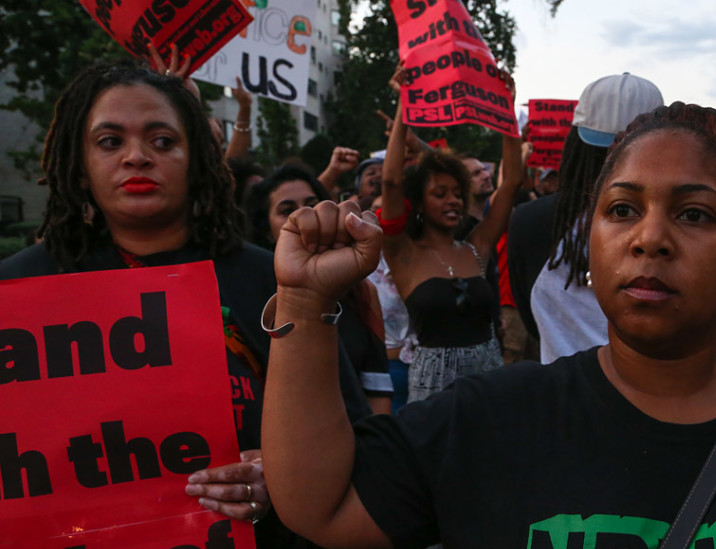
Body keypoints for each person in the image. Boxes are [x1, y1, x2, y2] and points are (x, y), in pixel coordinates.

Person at [261, 101, 716, 549]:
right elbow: (320, 503)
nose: (650, 238)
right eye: (622, 209)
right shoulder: (492, 422)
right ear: (590, 246)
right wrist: (303, 300)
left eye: (696, 215)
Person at [0, 62, 370, 549]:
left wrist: (281, 477)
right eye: (110, 140)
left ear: (197, 156)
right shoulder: (20, 292)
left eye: (162, 140)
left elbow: (353, 427)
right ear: (79, 160)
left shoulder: (273, 279)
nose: (137, 157)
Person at [377, 64, 523, 404]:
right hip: (434, 391)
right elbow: (391, 181)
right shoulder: (403, 252)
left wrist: (507, 113)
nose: (453, 200)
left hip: (488, 383)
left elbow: (512, 182)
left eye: (458, 193)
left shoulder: (477, 248)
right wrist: (404, 107)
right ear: (418, 202)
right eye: (440, 194)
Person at [508, 72, 664, 363]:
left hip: (561, 399)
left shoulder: (533, 221)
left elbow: (533, 323)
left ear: (575, 143)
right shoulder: (678, 228)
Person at [246, 164, 393, 415]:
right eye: (287, 211)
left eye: (313, 205)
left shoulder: (362, 291)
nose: (305, 217)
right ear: (266, 229)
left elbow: (377, 387)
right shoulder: (249, 294)